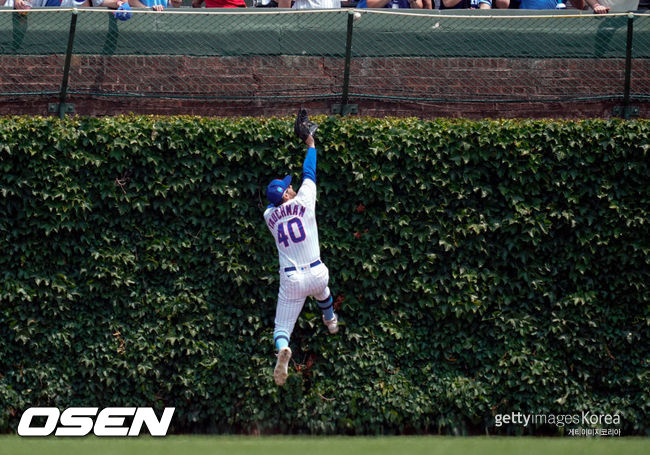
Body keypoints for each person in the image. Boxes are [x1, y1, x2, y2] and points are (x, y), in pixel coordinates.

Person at [263, 110, 338, 387]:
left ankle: (283, 350)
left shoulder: (269, 217)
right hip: (317, 272)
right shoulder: (305, 199)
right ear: (286, 195)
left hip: (292, 279)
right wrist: (310, 142)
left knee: (281, 330)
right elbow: (309, 171)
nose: (291, 186)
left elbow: (273, 204)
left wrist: (278, 196)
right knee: (323, 290)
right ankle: (330, 320)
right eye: (287, 187)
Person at [357, 0, 424, 8]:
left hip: (404, 23)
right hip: (379, 23)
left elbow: (419, 7)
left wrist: (413, 2)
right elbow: (368, 5)